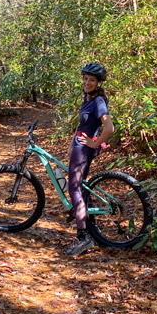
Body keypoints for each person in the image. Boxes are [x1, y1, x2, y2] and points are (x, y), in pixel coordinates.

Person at [66, 62, 114, 256]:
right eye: (85, 78)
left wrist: (94, 144)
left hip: (84, 150)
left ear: (98, 82)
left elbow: (109, 128)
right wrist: (71, 144)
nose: (87, 82)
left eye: (91, 80)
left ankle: (83, 236)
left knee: (74, 188)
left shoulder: (99, 101)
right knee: (82, 188)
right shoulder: (88, 97)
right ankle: (91, 228)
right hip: (78, 147)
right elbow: (82, 125)